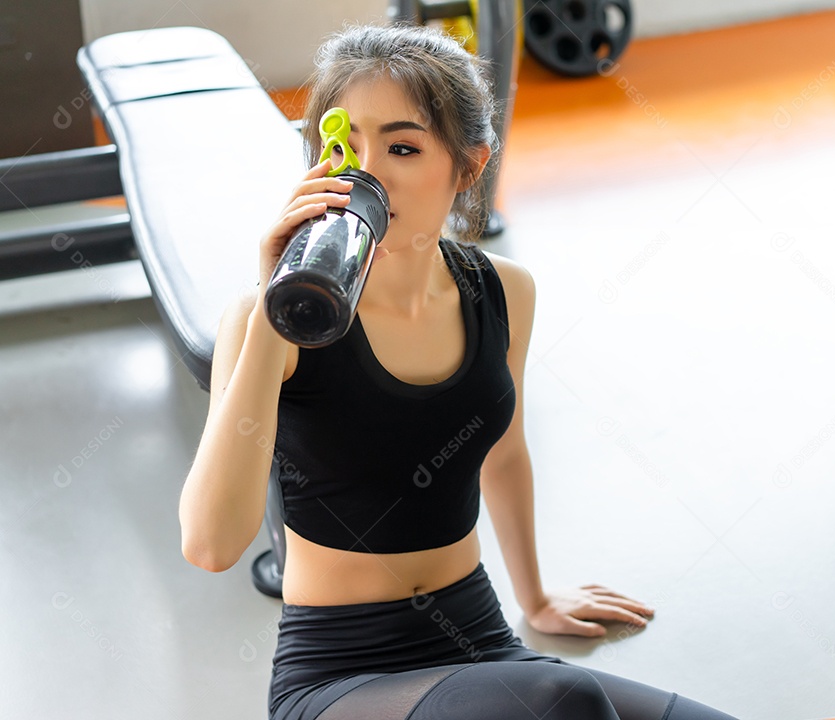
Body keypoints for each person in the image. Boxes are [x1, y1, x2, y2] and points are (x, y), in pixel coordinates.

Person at [178, 22, 738, 720]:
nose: (368, 173)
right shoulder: (270, 317)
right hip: (339, 674)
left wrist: (535, 599)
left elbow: (503, 454)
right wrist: (276, 307)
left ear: (469, 166)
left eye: (404, 147)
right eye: (347, 146)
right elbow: (209, 545)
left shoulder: (503, 291)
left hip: (478, 641)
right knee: (564, 700)